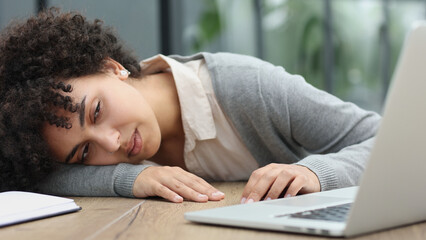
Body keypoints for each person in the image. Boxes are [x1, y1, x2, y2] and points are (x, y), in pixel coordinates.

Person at [0, 8, 381, 204]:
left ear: (111, 67)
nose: (112, 143)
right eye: (85, 152)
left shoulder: (250, 88)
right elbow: (40, 182)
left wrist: (317, 173)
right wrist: (132, 179)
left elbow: (388, 138)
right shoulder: (112, 157)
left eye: (96, 111)